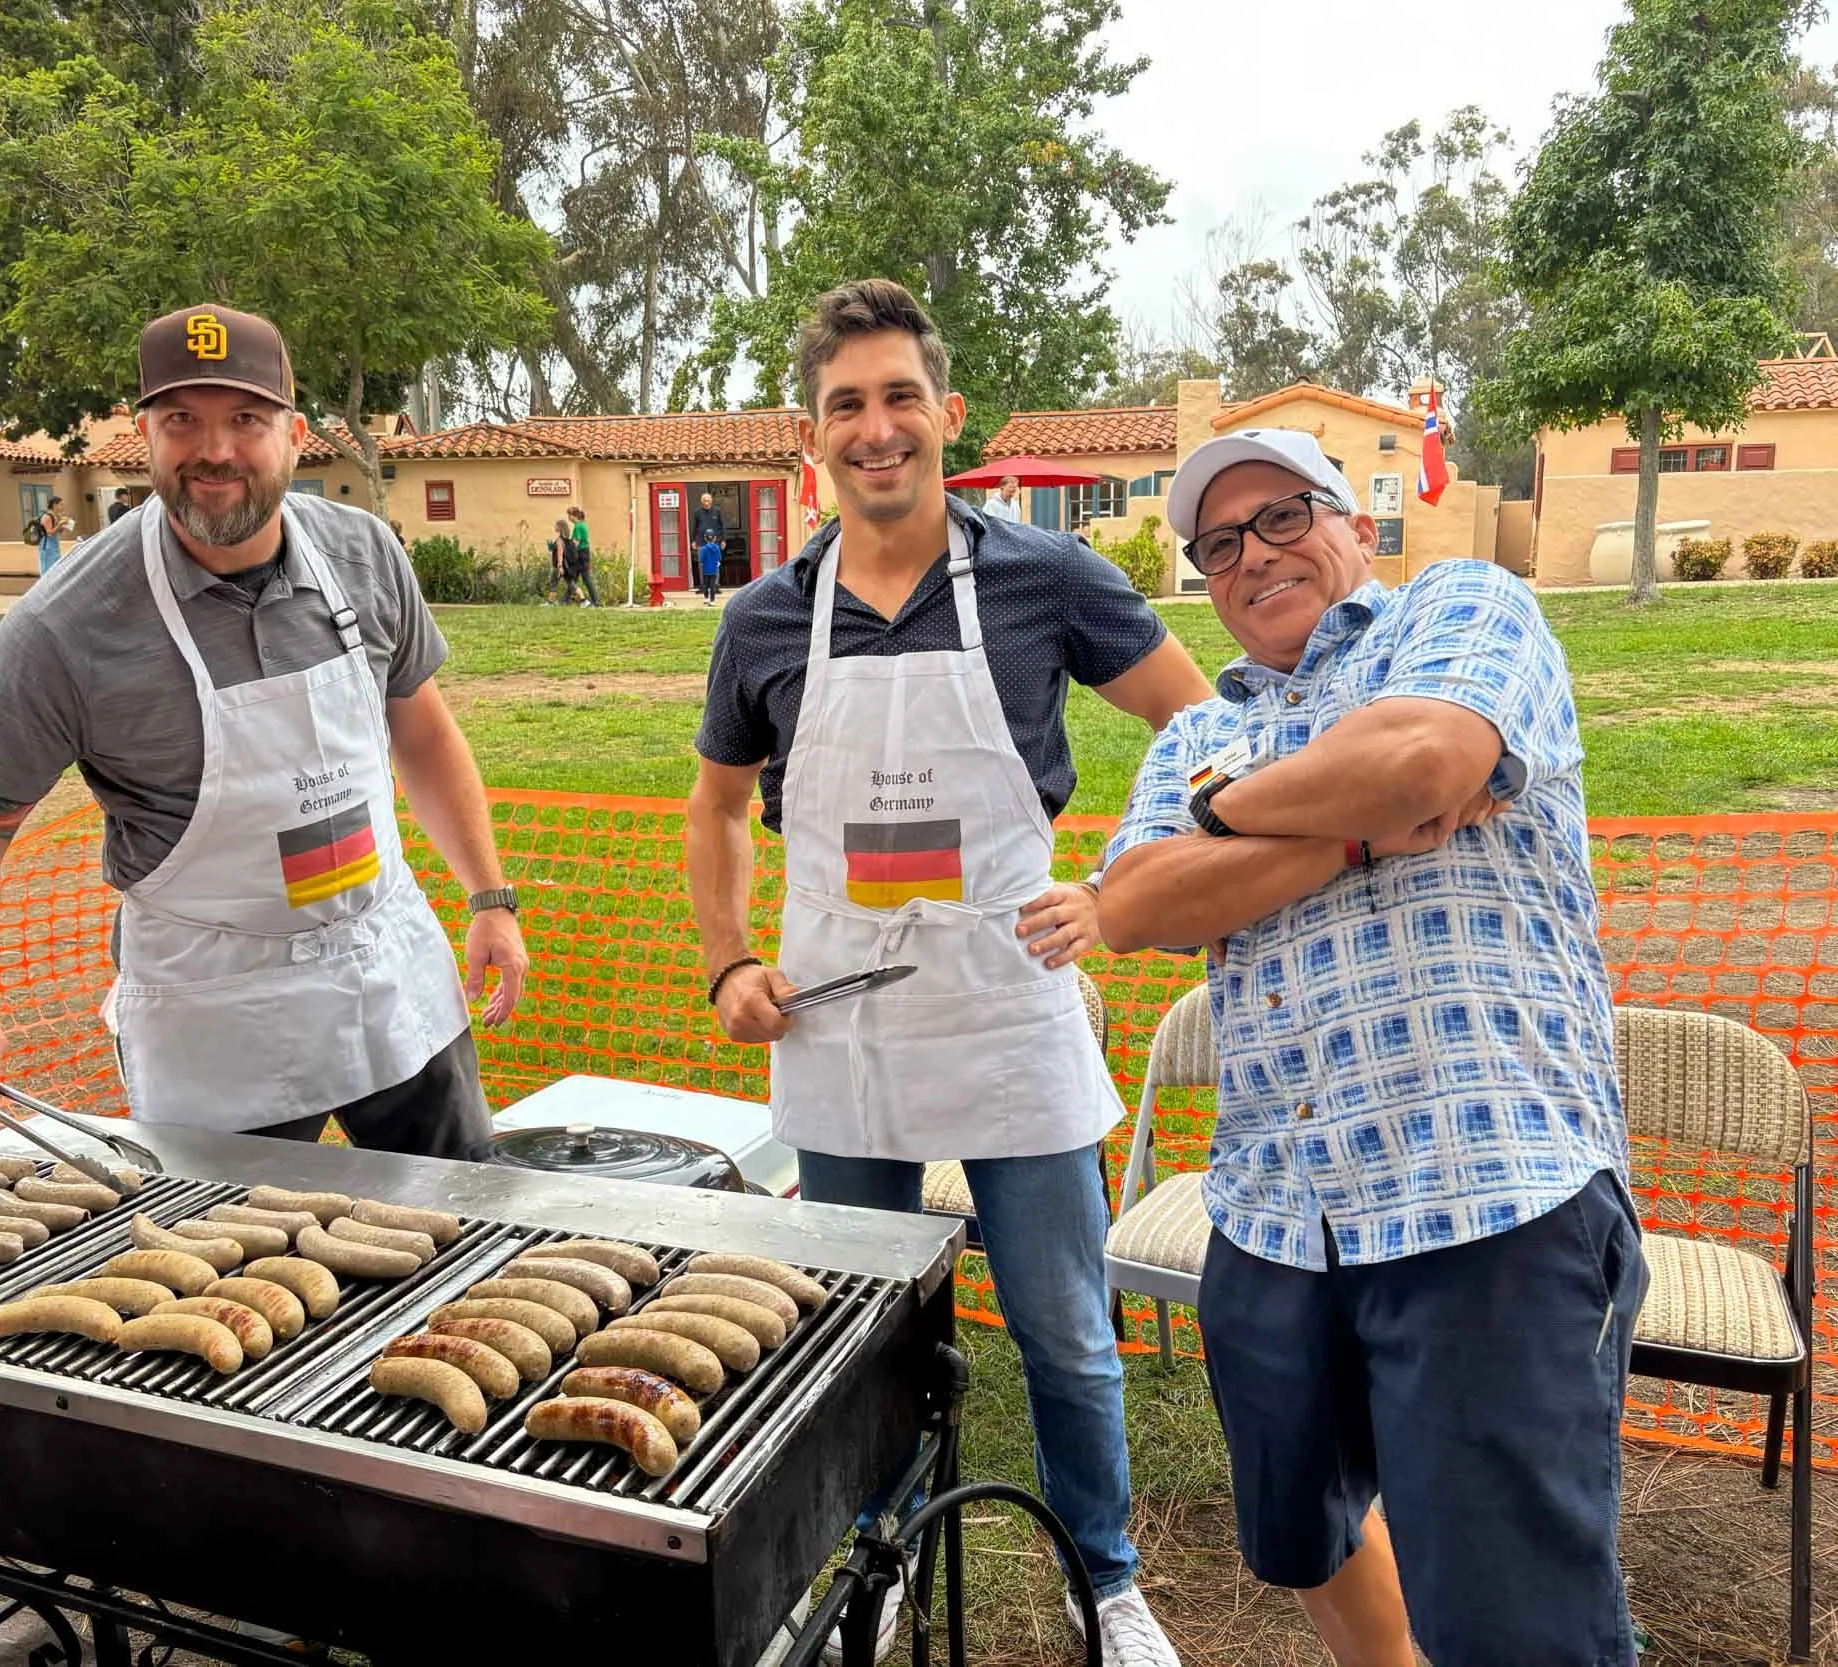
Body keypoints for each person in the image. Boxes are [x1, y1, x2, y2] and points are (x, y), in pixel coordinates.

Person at [687, 279, 1211, 1663]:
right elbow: (716, 808)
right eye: (844, 405)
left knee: (1062, 1329)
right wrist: (729, 955)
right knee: (859, 1331)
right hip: (838, 1035)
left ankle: (1105, 1582)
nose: (875, 429)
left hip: (1004, 1016)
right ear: (811, 436)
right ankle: (879, 1565)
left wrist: (1116, 890)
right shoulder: (761, 618)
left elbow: (1202, 726)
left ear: (945, 413)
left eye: (896, 397)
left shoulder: (1047, 579)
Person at [1098, 427, 1642, 1667]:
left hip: (1483, 1194)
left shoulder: (1465, 605)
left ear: (1357, 525)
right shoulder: (1194, 730)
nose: (1254, 555)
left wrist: (1229, 811)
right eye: (1220, 543)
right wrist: (1356, 830)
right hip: (1275, 1210)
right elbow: (1135, 903)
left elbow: (1423, 756)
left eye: (1285, 517)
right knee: (1297, 1532)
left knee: (1516, 1624)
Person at [0, 303, 529, 1164]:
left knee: (462, 1215)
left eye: (246, 419)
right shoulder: (67, 627)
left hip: (384, 971)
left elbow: (421, 730)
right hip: (219, 1009)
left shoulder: (366, 556)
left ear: (296, 434)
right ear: (143, 433)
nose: (215, 450)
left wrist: (488, 896)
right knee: (229, 1272)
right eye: (181, 420)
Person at [691, 490, 728, 603]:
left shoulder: (717, 511)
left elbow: (722, 526)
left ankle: (715, 586)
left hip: (715, 542)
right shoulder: (697, 512)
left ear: (711, 501)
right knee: (702, 563)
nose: (706, 503)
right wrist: (693, 541)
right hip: (701, 542)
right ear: (702, 502)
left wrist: (723, 540)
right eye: (704, 501)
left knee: (716, 563)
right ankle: (704, 586)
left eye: (708, 501)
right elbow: (694, 527)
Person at [554, 517, 598, 608]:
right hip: (582, 554)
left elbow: (576, 543)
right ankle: (564, 600)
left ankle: (593, 601)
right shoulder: (583, 525)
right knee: (572, 579)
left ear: (573, 516)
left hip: (580, 555)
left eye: (569, 515)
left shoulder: (578, 526)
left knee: (585, 578)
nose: (569, 518)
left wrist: (564, 548)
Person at [34, 496, 69, 573]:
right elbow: (49, 533)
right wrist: (59, 524)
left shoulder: (56, 516)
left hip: (54, 546)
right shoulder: (47, 517)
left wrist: (64, 525)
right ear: (54, 505)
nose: (62, 506)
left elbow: (58, 532)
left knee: (56, 568)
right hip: (47, 547)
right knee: (48, 569)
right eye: (61, 504)